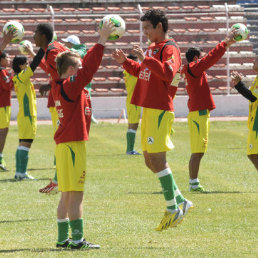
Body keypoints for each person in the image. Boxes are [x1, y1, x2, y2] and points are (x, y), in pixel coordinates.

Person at [112, 9, 192, 231]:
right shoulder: (151, 48)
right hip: (148, 108)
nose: (145, 31)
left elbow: (168, 73)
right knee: (149, 160)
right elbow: (143, 72)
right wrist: (125, 62)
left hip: (160, 108)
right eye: (143, 27)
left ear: (159, 26)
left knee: (157, 159)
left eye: (147, 27)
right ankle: (181, 201)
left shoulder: (170, 48)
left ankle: (172, 209)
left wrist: (145, 58)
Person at [53, 21, 114, 249]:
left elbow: (85, 70)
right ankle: (77, 240)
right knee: (76, 194)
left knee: (67, 195)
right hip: (72, 145)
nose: (81, 70)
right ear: (70, 71)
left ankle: (62, 239)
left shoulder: (60, 84)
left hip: (64, 145)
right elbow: (89, 70)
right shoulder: (69, 85)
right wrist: (102, 40)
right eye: (77, 67)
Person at [181, 30, 237, 193]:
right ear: (196, 58)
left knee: (199, 150)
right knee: (198, 151)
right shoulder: (194, 68)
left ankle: (194, 182)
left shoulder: (190, 69)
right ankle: (193, 183)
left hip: (198, 113)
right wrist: (225, 44)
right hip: (198, 114)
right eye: (201, 57)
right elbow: (210, 58)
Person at [27, 23, 68, 193]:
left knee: (62, 140)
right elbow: (54, 71)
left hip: (63, 101)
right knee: (60, 140)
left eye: (35, 33)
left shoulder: (52, 51)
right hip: (59, 100)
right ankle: (58, 179)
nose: (33, 36)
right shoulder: (52, 49)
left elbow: (64, 73)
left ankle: (59, 181)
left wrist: (49, 84)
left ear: (43, 35)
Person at [12, 47, 45, 180]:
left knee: (22, 144)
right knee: (26, 143)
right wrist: (43, 49)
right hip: (28, 115)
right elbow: (35, 64)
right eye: (25, 63)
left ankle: (19, 173)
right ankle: (22, 173)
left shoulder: (18, 77)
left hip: (24, 115)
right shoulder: (22, 76)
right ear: (20, 66)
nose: (27, 65)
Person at [61, 35, 98, 124]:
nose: (64, 44)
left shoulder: (81, 50)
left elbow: (75, 53)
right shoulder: (75, 50)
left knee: (85, 98)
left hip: (82, 80)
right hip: (76, 79)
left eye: (66, 43)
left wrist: (62, 48)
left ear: (71, 44)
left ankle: (90, 116)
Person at [231, 57, 258, 170]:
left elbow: (253, 97)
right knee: (252, 154)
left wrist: (239, 85)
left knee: (253, 154)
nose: (253, 61)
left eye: (256, 60)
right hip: (254, 122)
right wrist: (238, 85)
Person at [0, 30, 15, 171]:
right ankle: (0, 157)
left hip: (3, 105)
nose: (9, 60)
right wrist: (13, 77)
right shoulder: (3, 72)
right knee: (3, 132)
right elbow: (7, 86)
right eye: (7, 58)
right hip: (2, 106)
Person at [124, 54, 141, 155]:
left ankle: (129, 149)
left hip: (131, 99)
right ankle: (130, 150)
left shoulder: (127, 70)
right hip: (134, 100)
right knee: (134, 125)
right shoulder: (132, 72)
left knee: (131, 125)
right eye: (136, 61)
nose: (138, 63)